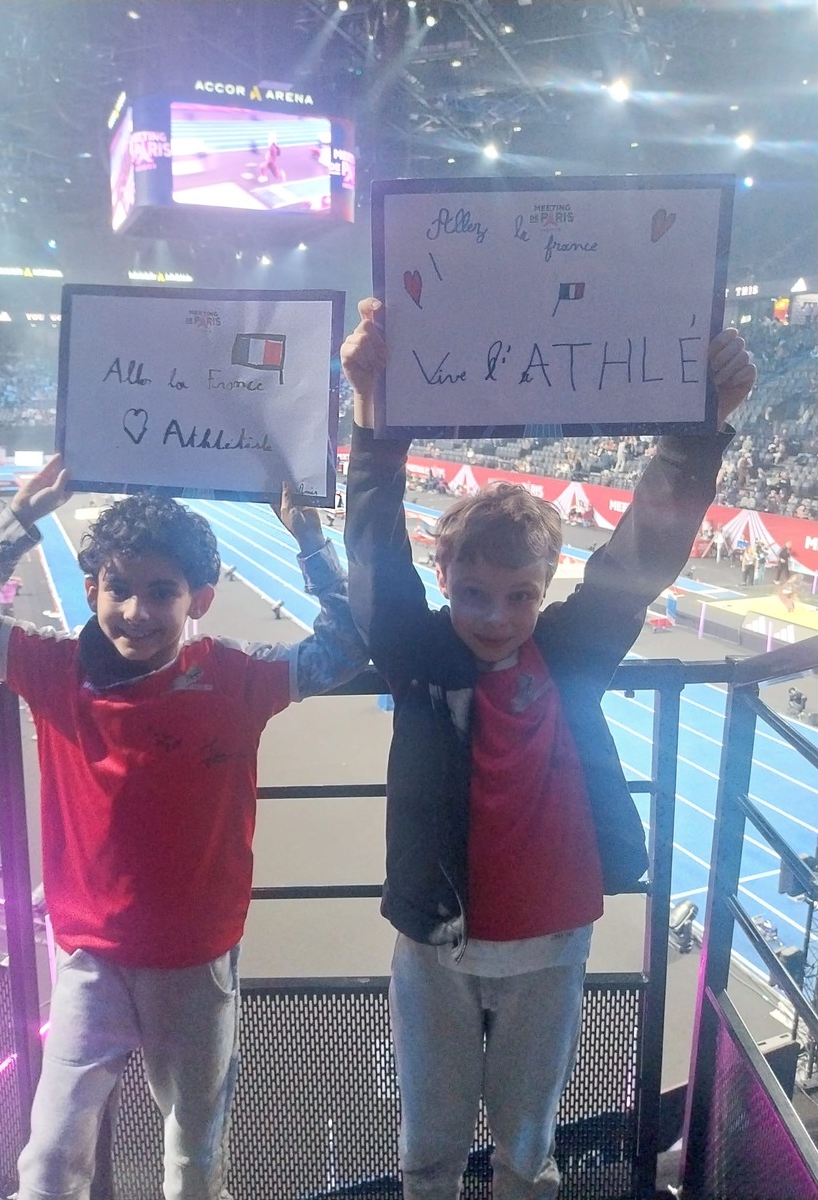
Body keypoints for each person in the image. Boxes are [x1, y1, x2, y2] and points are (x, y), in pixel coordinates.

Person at [341, 297, 755, 1200]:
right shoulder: (418, 655)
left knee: (528, 1152)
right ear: (443, 580)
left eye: (520, 596)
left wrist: (703, 426)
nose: (496, 617)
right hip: (437, 946)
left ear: (546, 588)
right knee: (429, 1149)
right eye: (473, 593)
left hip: (553, 947)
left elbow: (640, 555)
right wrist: (371, 413)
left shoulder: (568, 654)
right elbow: (372, 559)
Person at [0, 457, 367, 1200]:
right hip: (89, 961)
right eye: (119, 588)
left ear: (199, 599)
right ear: (91, 588)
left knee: (194, 1159)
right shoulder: (53, 669)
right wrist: (22, 516)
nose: (137, 610)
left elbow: (347, 646)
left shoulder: (236, 676)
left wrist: (310, 540)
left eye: (162, 592)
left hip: (195, 961)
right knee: (48, 1160)